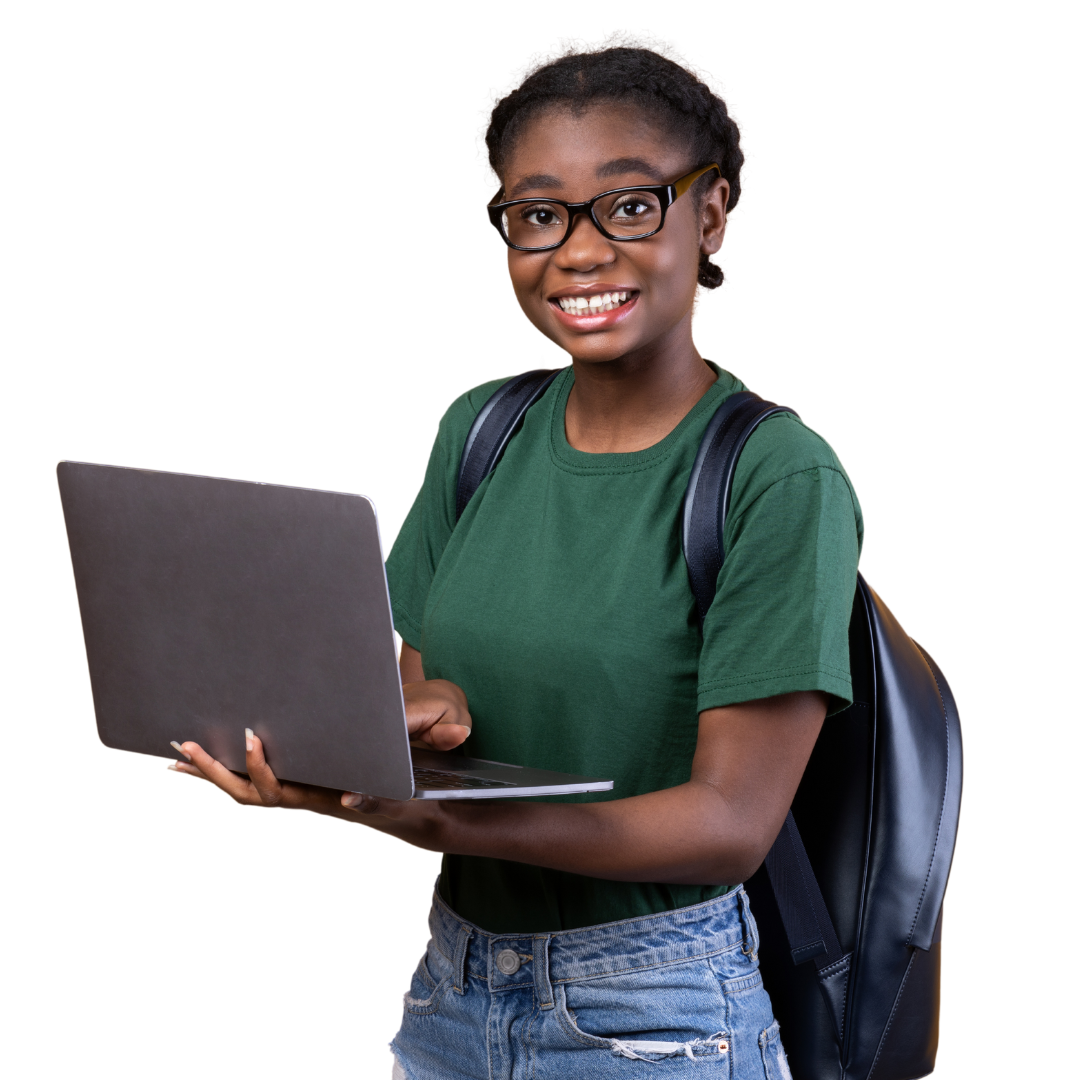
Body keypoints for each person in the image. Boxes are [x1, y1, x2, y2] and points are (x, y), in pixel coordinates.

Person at [173, 45, 862, 1080]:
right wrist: (400, 728)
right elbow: (428, 680)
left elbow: (729, 825)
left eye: (628, 206)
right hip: (456, 983)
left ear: (710, 213)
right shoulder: (484, 431)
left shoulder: (775, 474)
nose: (577, 252)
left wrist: (439, 813)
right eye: (539, 215)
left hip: (656, 1010)